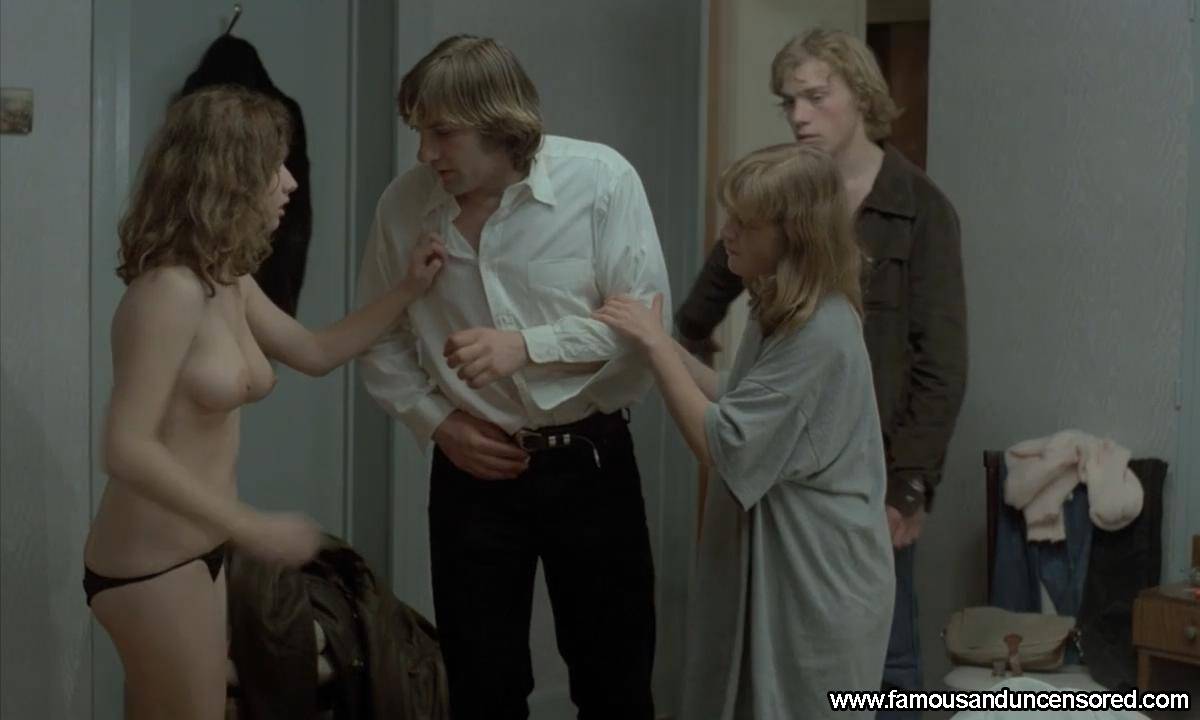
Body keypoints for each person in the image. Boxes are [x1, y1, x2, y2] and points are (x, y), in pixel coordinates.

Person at [84, 85, 445, 720]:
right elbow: (125, 447)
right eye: (274, 166)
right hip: (149, 564)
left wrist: (408, 290)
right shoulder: (169, 291)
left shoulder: (227, 279)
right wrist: (249, 525)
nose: (289, 183)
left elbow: (315, 351)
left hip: (198, 555)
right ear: (228, 174)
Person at [357, 35, 671, 720]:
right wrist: (438, 423)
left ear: (499, 123)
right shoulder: (404, 205)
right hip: (471, 471)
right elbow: (377, 337)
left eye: (442, 133)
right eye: (418, 132)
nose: (424, 154)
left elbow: (646, 325)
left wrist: (527, 347)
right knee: (480, 689)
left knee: (616, 684)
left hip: (590, 460)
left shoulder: (601, 181)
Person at [674, 29, 968, 716]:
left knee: (881, 654)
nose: (800, 116)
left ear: (860, 94)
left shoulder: (919, 208)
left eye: (815, 96)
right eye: (788, 102)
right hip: (782, 477)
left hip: (868, 472)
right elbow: (703, 303)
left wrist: (910, 485)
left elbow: (942, 363)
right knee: (785, 666)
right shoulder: (777, 199)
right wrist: (704, 375)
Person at [595, 143, 895, 719]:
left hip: (820, 581)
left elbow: (724, 444)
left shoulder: (821, 329)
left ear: (794, 235)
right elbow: (737, 396)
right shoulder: (778, 307)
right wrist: (658, 345)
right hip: (797, 565)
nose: (726, 233)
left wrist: (657, 347)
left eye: (744, 223)